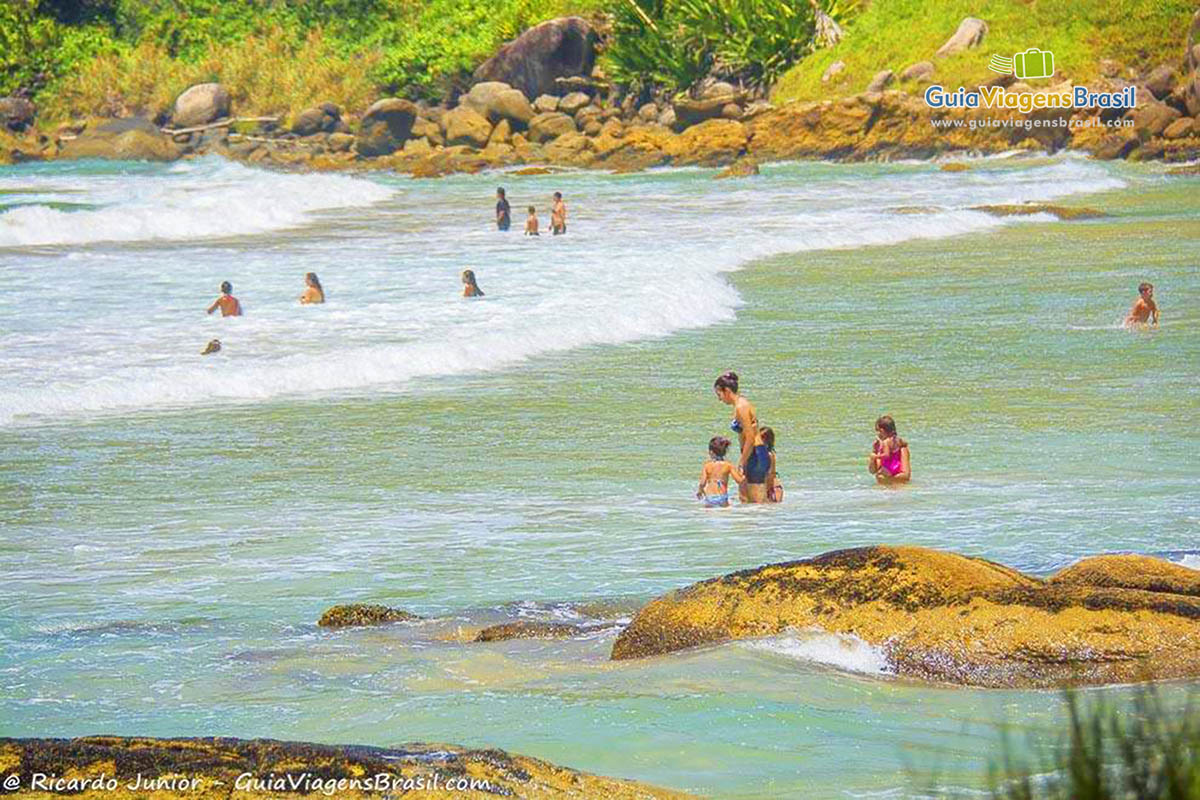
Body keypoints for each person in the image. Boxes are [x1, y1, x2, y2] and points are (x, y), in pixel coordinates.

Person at [713, 371, 769, 503]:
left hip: (755, 453)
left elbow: (750, 437)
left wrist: (742, 462)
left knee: (757, 503)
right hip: (754, 453)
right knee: (754, 503)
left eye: (719, 394)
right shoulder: (740, 405)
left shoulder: (741, 406)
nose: (719, 399)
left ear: (726, 390)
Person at [696, 436, 744, 508]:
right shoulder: (728, 465)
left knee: (709, 516)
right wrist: (742, 473)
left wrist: (700, 491)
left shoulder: (707, 466)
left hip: (710, 496)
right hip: (722, 495)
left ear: (711, 452)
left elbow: (702, 483)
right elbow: (739, 481)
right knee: (724, 515)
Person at [868, 415, 911, 485]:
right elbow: (872, 471)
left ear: (882, 431)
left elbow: (906, 476)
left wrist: (885, 479)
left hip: (896, 489)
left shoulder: (902, 449)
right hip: (885, 490)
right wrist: (874, 452)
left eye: (877, 431)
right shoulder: (882, 447)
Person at [762, 427, 783, 503]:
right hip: (772, 486)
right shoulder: (769, 453)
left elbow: (771, 474)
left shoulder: (769, 455)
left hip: (772, 487)